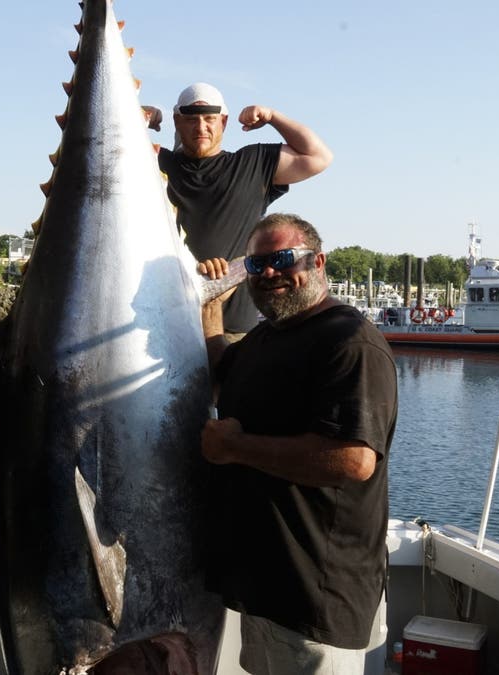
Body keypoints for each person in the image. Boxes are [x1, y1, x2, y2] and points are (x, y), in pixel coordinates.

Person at [197, 213, 397, 674]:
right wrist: (210, 307)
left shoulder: (349, 342)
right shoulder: (266, 338)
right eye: (256, 264)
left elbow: (353, 459)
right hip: (266, 590)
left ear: (318, 262)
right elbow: (220, 378)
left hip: (319, 601)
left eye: (283, 259)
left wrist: (237, 448)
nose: (269, 272)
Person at [153, 82, 333, 336]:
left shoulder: (251, 164)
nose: (201, 127)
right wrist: (143, 118)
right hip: (162, 330)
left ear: (223, 122)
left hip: (233, 331)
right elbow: (90, 147)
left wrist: (272, 117)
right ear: (177, 122)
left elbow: (318, 157)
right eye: (191, 119)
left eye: (209, 119)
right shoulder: (154, 162)